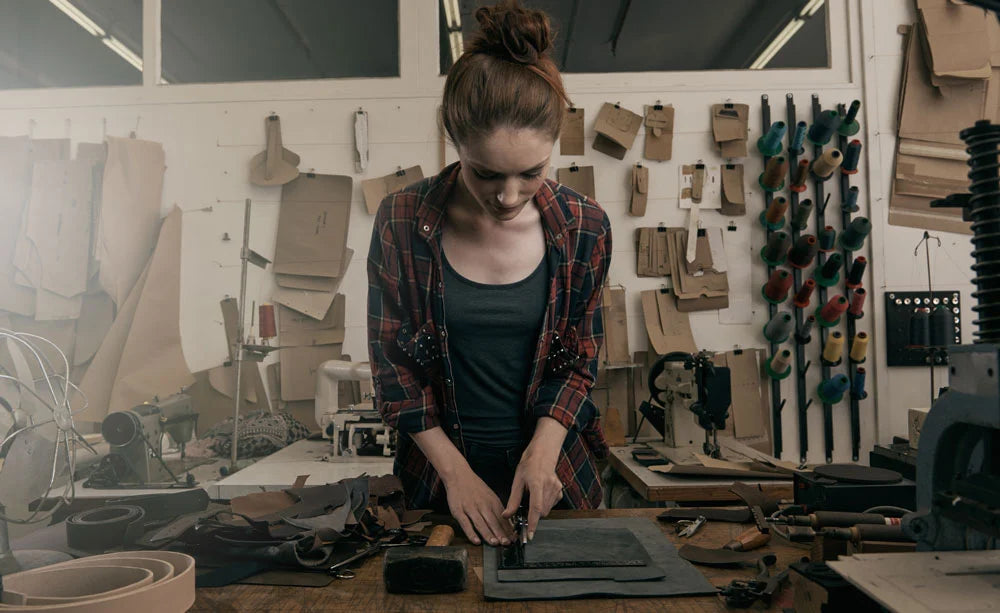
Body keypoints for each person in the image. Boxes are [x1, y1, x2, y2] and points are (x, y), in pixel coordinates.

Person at [367, 0, 610, 548]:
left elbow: (581, 359)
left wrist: (544, 449)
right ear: (454, 141)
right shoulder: (402, 220)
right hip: (438, 489)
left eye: (531, 173)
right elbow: (393, 371)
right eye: (486, 173)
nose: (508, 196)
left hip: (557, 482)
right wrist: (457, 476)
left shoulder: (584, 227)